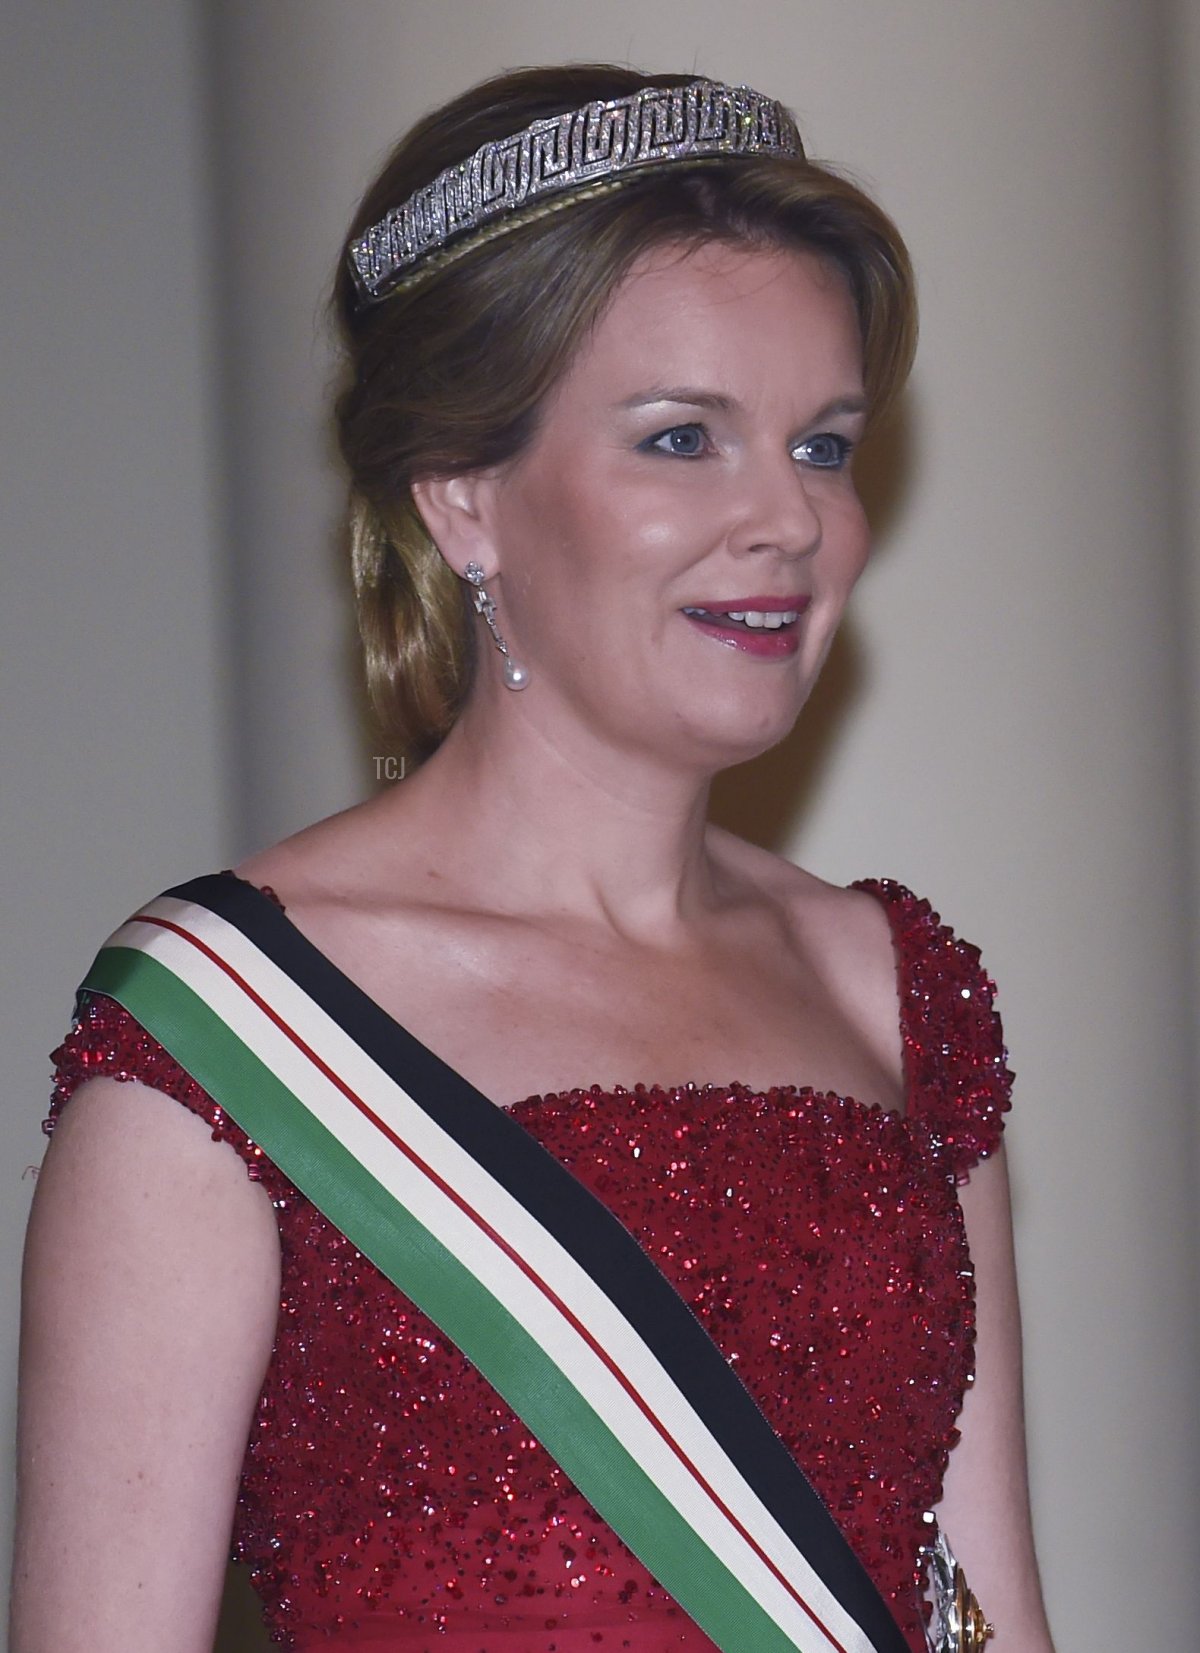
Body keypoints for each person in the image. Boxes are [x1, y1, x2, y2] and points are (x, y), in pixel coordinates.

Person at [12, 65, 1056, 1653]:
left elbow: (994, 1617)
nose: (789, 518)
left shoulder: (893, 991)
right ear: (464, 497)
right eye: (683, 437)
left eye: (825, 446)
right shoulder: (225, 1030)